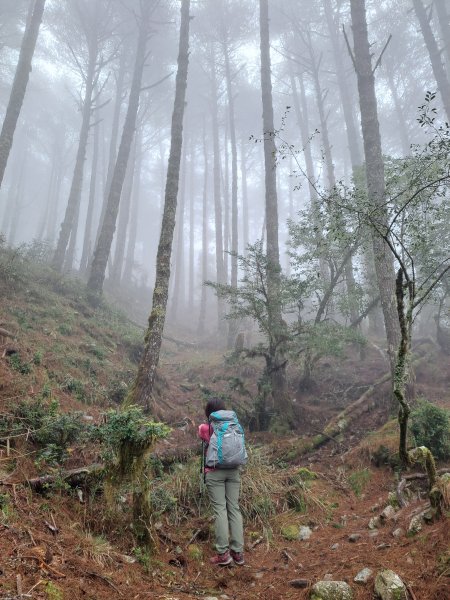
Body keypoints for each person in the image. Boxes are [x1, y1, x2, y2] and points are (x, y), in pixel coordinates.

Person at [198, 396, 245, 566]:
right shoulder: (234, 425)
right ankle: (238, 553)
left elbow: (202, 437)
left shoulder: (206, 428)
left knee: (220, 510)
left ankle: (223, 554)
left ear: (209, 411)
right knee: (234, 508)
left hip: (215, 472)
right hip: (233, 471)